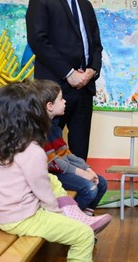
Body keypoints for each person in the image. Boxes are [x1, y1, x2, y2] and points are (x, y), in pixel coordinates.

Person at [0, 82, 111, 261]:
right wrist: (57, 214)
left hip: (1, 213)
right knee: (84, 235)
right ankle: (76, 218)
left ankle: (77, 215)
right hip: (22, 217)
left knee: (52, 179)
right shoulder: (31, 150)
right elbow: (42, 191)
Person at [26, 0, 103, 161]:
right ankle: (51, 195)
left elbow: (96, 45)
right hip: (53, 89)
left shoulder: (86, 6)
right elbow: (38, 41)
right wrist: (70, 73)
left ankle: (79, 194)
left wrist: (91, 71)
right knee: (48, 151)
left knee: (80, 153)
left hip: (84, 89)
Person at [32, 79, 108, 215]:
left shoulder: (54, 126)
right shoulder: (37, 131)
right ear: (49, 106)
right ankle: (72, 219)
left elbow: (65, 153)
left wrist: (86, 168)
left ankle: (86, 217)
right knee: (89, 188)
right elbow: (52, 162)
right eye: (61, 99)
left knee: (101, 183)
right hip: (52, 174)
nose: (65, 102)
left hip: (61, 170)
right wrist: (80, 173)